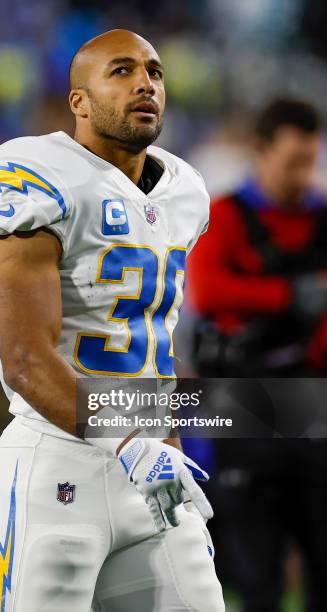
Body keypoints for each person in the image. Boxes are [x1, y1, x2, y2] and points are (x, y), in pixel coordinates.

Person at [0, 29, 224, 612]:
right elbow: (26, 359)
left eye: (155, 71)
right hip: (55, 466)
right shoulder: (31, 173)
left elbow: (152, 339)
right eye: (122, 70)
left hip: (150, 468)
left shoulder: (184, 192)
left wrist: (167, 441)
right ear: (79, 100)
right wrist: (130, 442)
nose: (145, 83)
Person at [186, 98, 327, 611]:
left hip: (314, 406)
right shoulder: (224, 216)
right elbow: (209, 290)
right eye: (293, 161)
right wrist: (293, 295)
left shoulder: (321, 218)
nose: (302, 174)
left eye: (309, 161)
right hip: (241, 405)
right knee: (255, 574)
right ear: (260, 152)